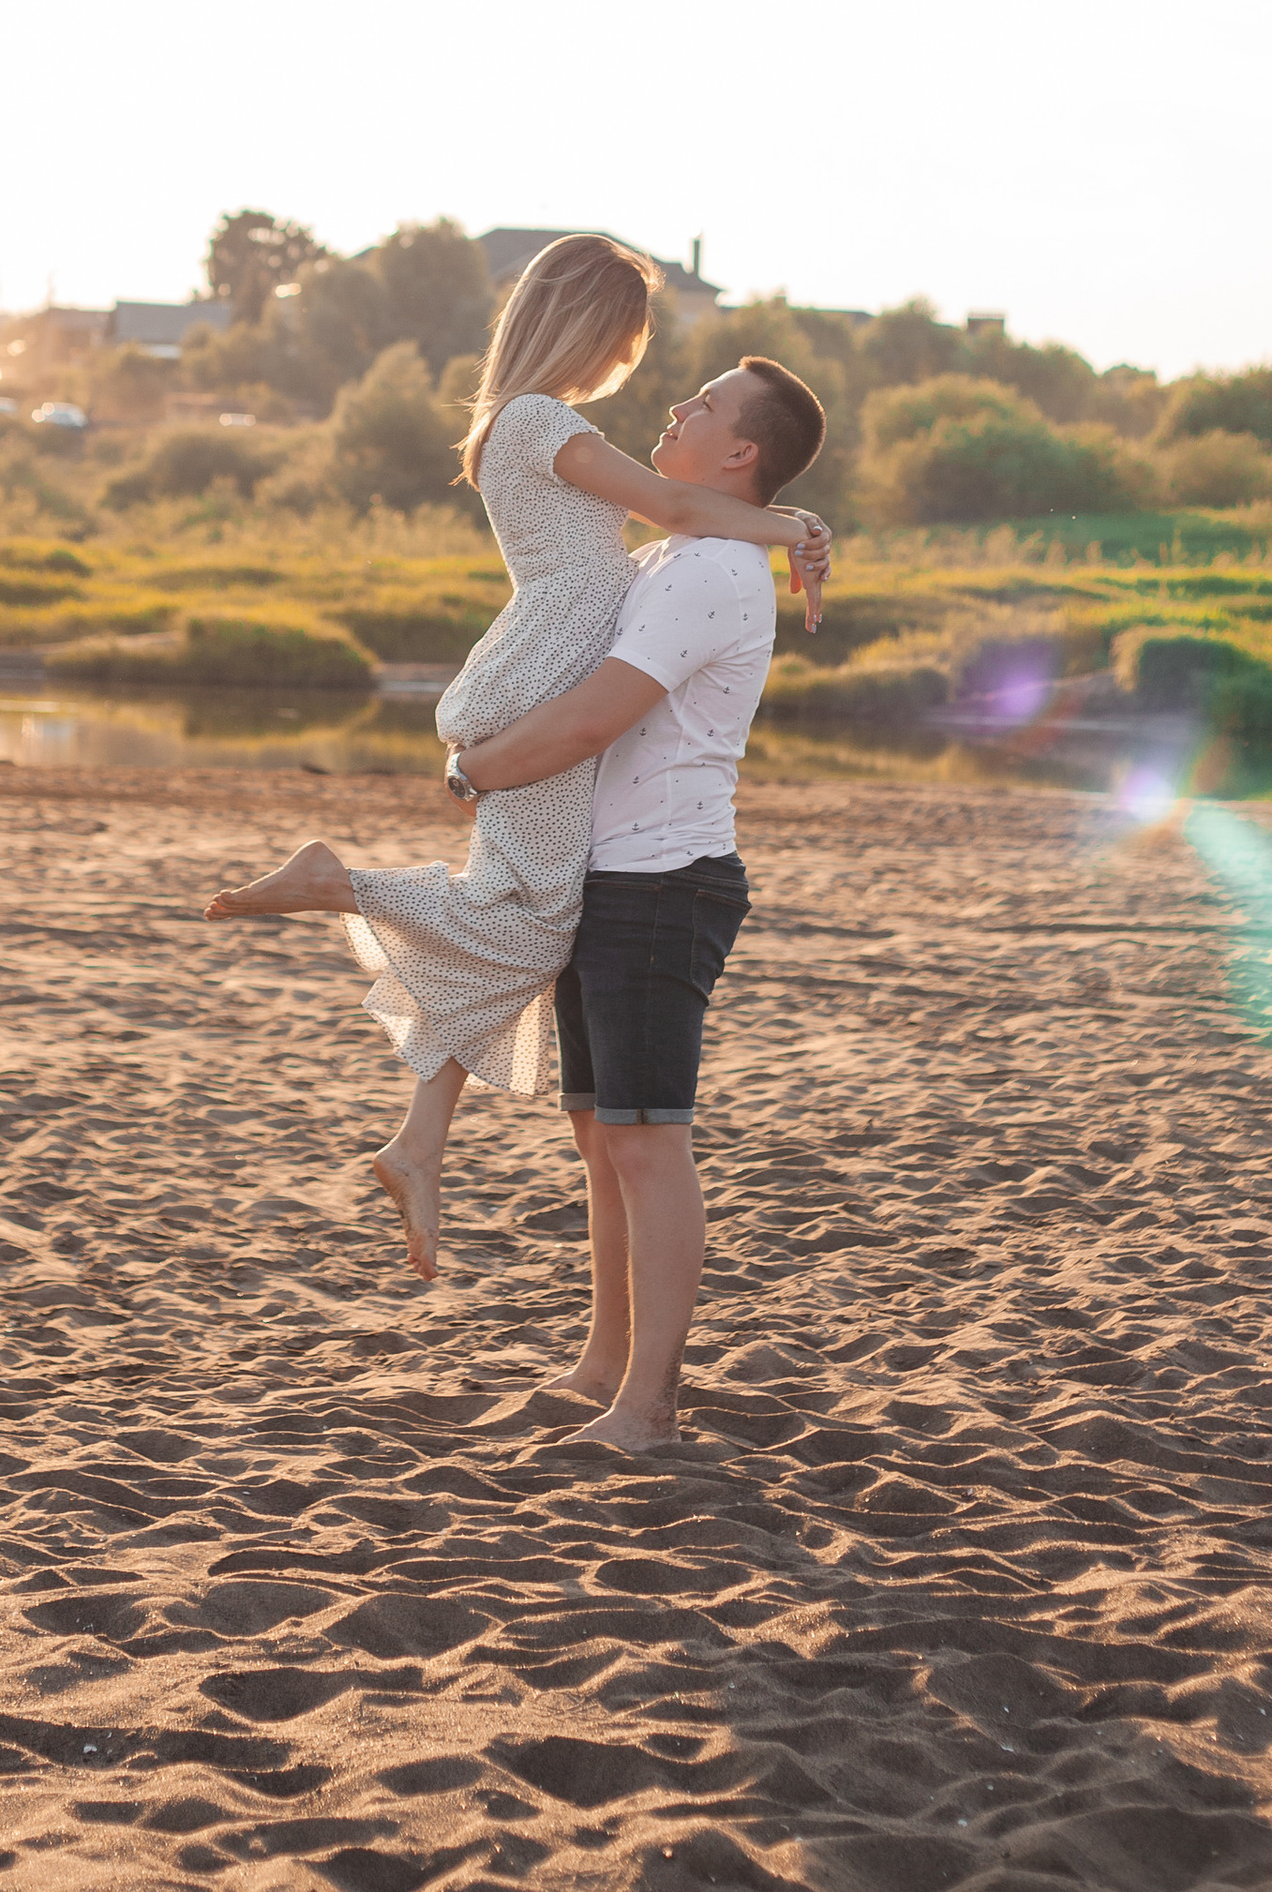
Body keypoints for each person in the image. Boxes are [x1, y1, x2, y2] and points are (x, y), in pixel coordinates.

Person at [202, 234, 828, 1279]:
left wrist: (773, 530)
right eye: (630, 334)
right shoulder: (544, 420)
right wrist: (792, 524)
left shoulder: (520, 422)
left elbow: (659, 534)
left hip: (537, 652)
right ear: (590, 323)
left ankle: (419, 1140)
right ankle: (337, 883)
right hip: (544, 672)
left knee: (523, 921)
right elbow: (673, 509)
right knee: (528, 919)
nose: (639, 363)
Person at [444, 348, 827, 1451]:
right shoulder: (674, 554)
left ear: (738, 450)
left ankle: (647, 1405)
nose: (676, 407)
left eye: (700, 405)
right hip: (608, 878)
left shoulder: (706, 572)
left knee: (649, 1140)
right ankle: (603, 1364)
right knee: (599, 1134)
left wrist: (478, 773)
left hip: (663, 884)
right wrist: (799, 527)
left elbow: (591, 720)